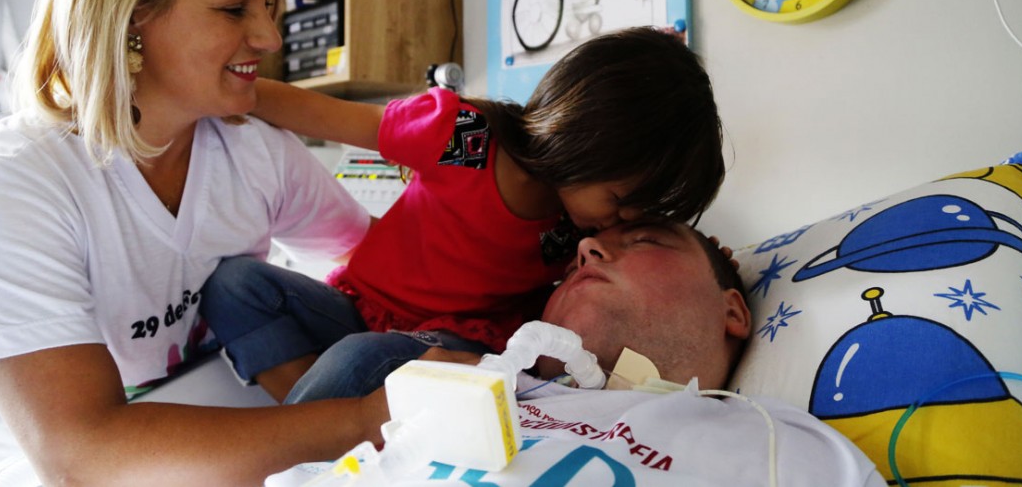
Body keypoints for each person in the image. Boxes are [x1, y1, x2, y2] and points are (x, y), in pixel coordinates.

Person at [0, 0, 391, 486]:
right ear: (131, 15)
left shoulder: (257, 153)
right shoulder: (12, 184)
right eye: (235, 8)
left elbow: (385, 269)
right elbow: (83, 455)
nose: (268, 36)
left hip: (219, 440)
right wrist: (368, 417)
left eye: (267, 5)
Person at [200, 27, 726, 406]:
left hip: (454, 338)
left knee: (361, 358)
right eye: (619, 200)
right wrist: (220, 94)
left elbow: (638, 279)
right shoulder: (462, 136)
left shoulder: (575, 231)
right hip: (362, 304)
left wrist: (718, 267)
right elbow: (321, 114)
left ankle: (306, 433)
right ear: (583, 139)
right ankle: (308, 424)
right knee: (234, 284)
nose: (619, 224)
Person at [268, 219, 888, 486]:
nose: (588, 248)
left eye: (644, 241)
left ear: (732, 309)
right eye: (572, 263)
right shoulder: (465, 386)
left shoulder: (785, 450)